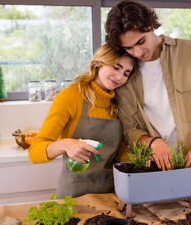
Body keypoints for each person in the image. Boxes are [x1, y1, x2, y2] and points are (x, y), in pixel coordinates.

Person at [105, 0, 191, 183]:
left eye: (141, 41)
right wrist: (153, 143)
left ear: (151, 26)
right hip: (155, 170)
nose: (138, 52)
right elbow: (130, 130)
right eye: (129, 48)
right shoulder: (124, 74)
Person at [28, 44, 138, 198]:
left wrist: (137, 163)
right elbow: (34, 153)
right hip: (74, 194)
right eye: (116, 67)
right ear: (99, 63)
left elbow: (119, 150)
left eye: (126, 73)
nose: (120, 77)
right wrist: (66, 144)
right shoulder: (71, 97)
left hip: (111, 192)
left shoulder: (118, 103)